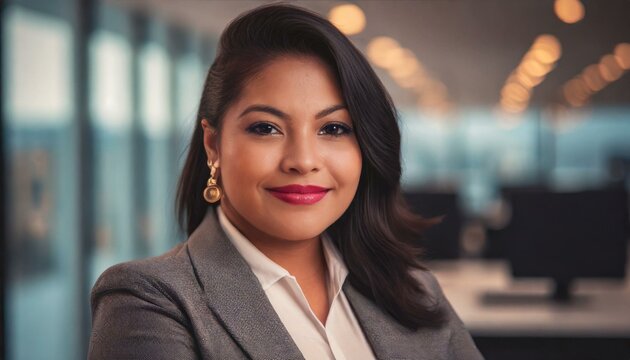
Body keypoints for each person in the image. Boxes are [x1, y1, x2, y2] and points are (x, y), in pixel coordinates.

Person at [88, 3, 483, 360]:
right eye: (266, 127)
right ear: (214, 145)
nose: (303, 161)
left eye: (333, 128)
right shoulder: (148, 301)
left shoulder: (414, 290)